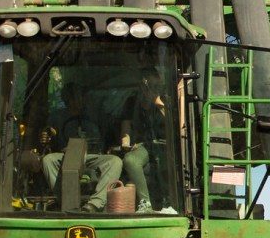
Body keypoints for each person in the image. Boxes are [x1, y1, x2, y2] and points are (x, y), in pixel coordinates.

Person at [41, 81, 122, 212]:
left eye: (79, 96)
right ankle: (65, 201)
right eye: (72, 97)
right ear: (66, 98)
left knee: (115, 162)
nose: (76, 101)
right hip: (66, 157)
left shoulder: (96, 116)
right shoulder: (56, 117)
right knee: (47, 160)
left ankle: (94, 204)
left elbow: (110, 135)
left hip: (93, 156)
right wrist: (46, 136)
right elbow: (48, 135)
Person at [118, 70, 177, 213]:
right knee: (130, 160)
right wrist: (126, 144)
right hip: (144, 145)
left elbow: (175, 126)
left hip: (167, 145)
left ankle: (170, 202)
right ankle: (145, 203)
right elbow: (126, 127)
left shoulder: (166, 99)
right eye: (147, 84)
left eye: (154, 85)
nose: (150, 88)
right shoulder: (132, 101)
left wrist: (159, 104)